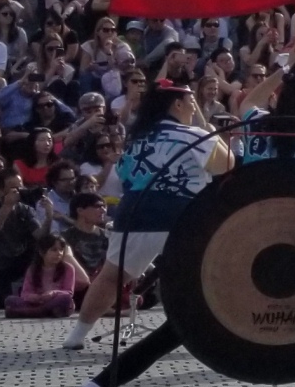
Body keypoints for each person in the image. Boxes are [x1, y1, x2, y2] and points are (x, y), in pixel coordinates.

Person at [34, 60, 295, 387]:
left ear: (282, 91)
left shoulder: (255, 127)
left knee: (180, 327)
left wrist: (279, 71)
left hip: (242, 250)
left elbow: (245, 102)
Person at [62, 78, 229, 351]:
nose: (194, 105)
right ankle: (212, 334)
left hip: (136, 214)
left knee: (110, 277)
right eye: (191, 101)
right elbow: (227, 164)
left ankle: (77, 335)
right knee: (208, 275)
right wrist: (207, 128)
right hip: (182, 216)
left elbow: (126, 174)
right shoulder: (195, 136)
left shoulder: (138, 138)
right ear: (178, 104)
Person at [6, 237, 87, 318]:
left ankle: (34, 312)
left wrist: (53, 293)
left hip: (56, 301)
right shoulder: (33, 269)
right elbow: (25, 293)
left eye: (61, 250)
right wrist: (34, 297)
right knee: (10, 300)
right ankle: (40, 311)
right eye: (54, 250)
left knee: (65, 299)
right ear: (42, 252)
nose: (59, 253)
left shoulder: (68, 268)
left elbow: (69, 292)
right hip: (37, 303)